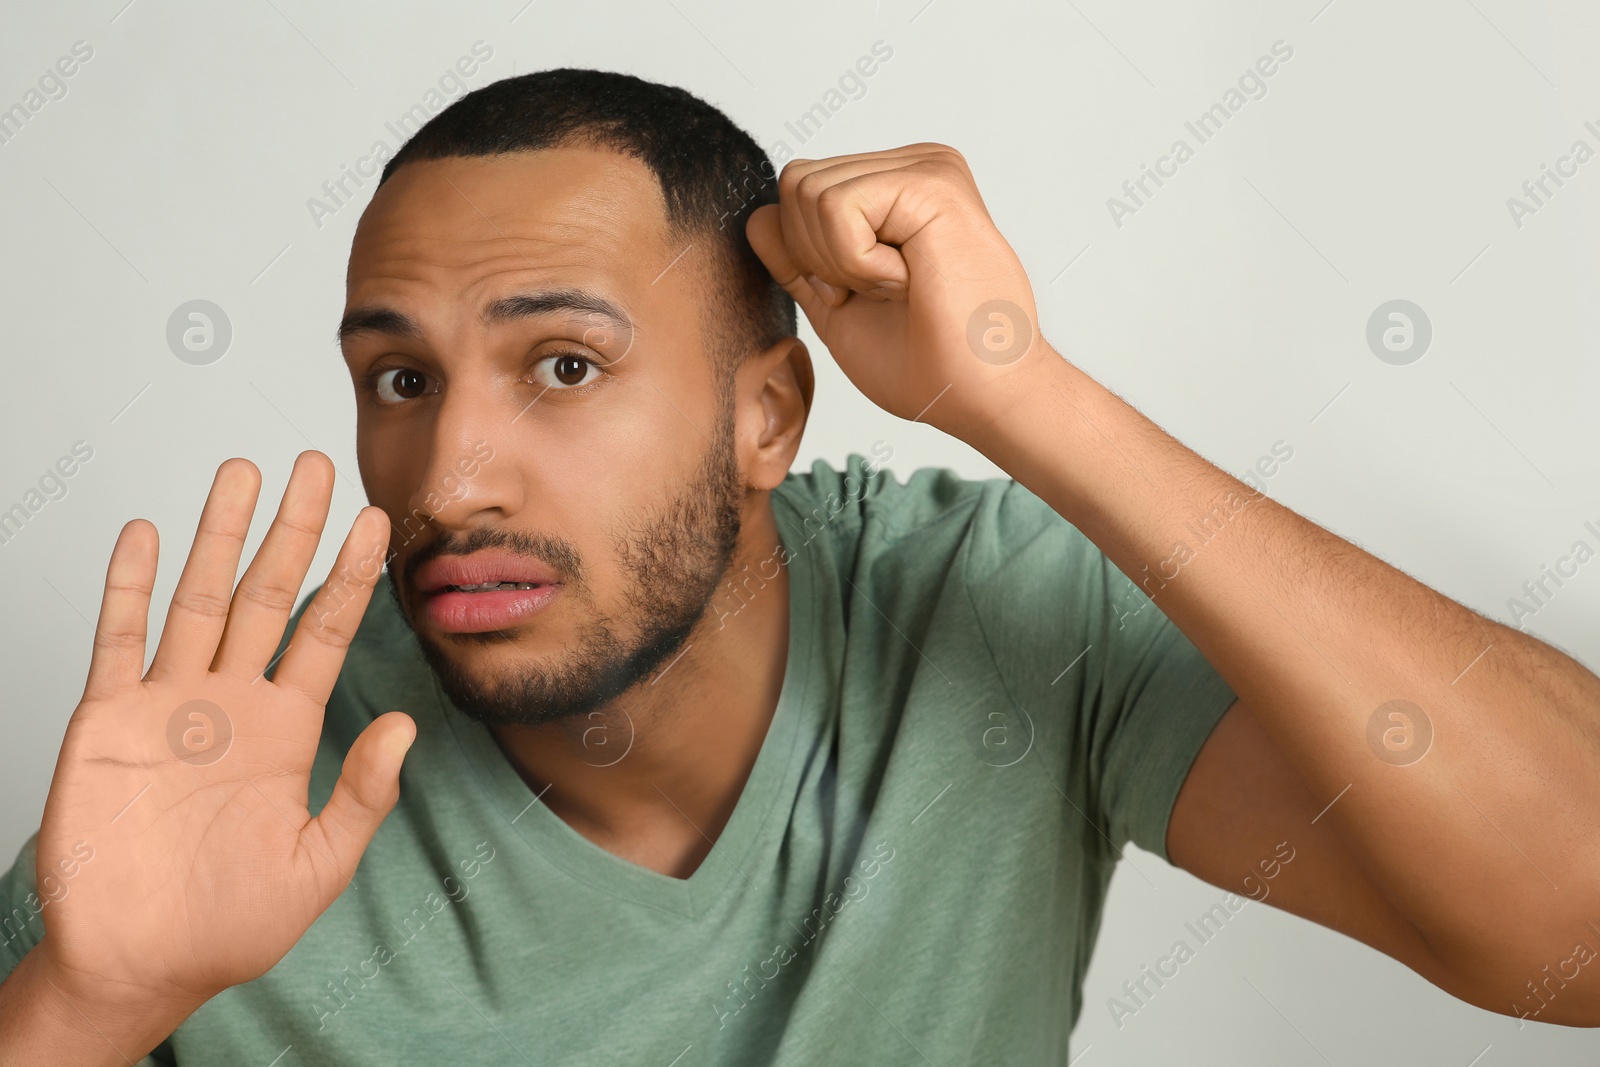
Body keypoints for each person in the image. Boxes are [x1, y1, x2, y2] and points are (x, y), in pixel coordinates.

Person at [2, 67, 1597, 1066]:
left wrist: (1019, 392)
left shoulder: (979, 608)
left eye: (562, 365)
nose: (450, 480)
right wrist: (81, 1012)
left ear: (768, 413)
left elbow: (1578, 932)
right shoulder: (228, 780)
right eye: (399, 380)